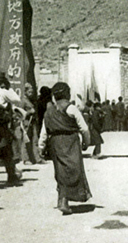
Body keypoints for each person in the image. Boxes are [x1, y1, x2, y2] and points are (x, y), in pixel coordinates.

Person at [39, 82, 91, 215]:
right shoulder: (71, 108)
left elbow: (44, 131)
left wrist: (41, 147)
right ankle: (64, 200)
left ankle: (62, 200)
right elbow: (84, 128)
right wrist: (87, 142)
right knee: (74, 170)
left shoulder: (49, 111)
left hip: (55, 143)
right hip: (70, 141)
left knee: (60, 171)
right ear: (67, 94)